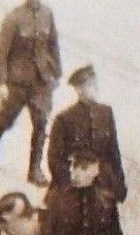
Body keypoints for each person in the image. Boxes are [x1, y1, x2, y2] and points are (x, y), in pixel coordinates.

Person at [0, 0, 62, 186]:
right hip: (18, 82)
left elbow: (53, 44)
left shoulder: (48, 14)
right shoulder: (14, 18)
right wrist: (1, 83)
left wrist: (56, 73)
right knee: (7, 120)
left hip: (41, 82)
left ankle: (35, 169)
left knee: (41, 123)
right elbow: (1, 52)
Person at [46, 65, 127, 202]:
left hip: (102, 181)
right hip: (74, 181)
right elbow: (55, 158)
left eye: (94, 84)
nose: (93, 88)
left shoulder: (106, 113)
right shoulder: (64, 118)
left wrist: (119, 184)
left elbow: (113, 151)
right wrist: (67, 186)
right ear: (78, 89)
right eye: (88, 85)